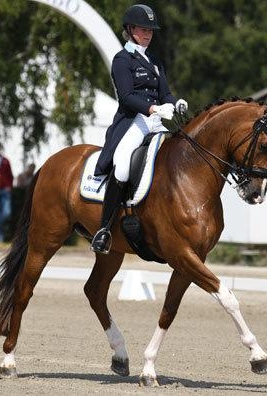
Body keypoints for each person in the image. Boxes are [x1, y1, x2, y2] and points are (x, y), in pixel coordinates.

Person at [91, 4, 187, 254]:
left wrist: (174, 104)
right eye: (144, 29)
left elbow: (164, 92)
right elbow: (126, 97)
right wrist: (154, 109)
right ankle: (103, 229)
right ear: (131, 30)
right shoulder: (122, 60)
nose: (148, 34)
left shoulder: (154, 61)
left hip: (157, 123)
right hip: (134, 121)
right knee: (122, 164)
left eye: (151, 30)